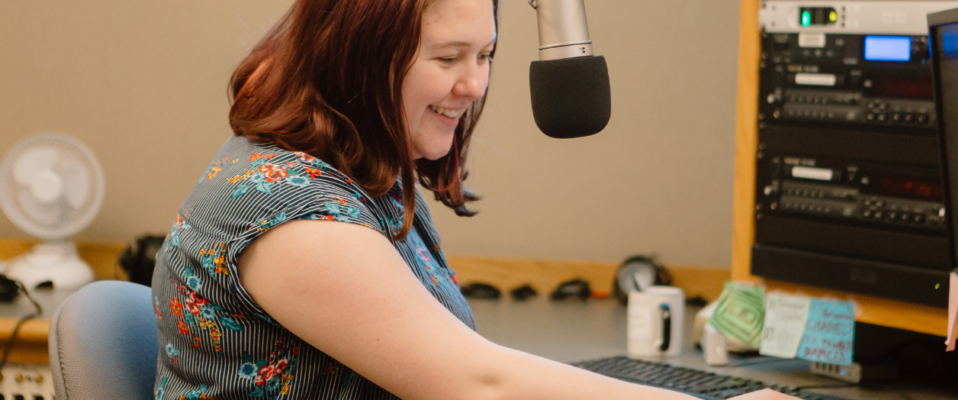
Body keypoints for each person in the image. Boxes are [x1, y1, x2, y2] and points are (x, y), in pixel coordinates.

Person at [151, 0, 699, 398]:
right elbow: (476, 384)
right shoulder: (290, 216)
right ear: (357, 57)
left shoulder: (360, 173)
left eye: (484, 55)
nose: (474, 84)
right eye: (448, 58)